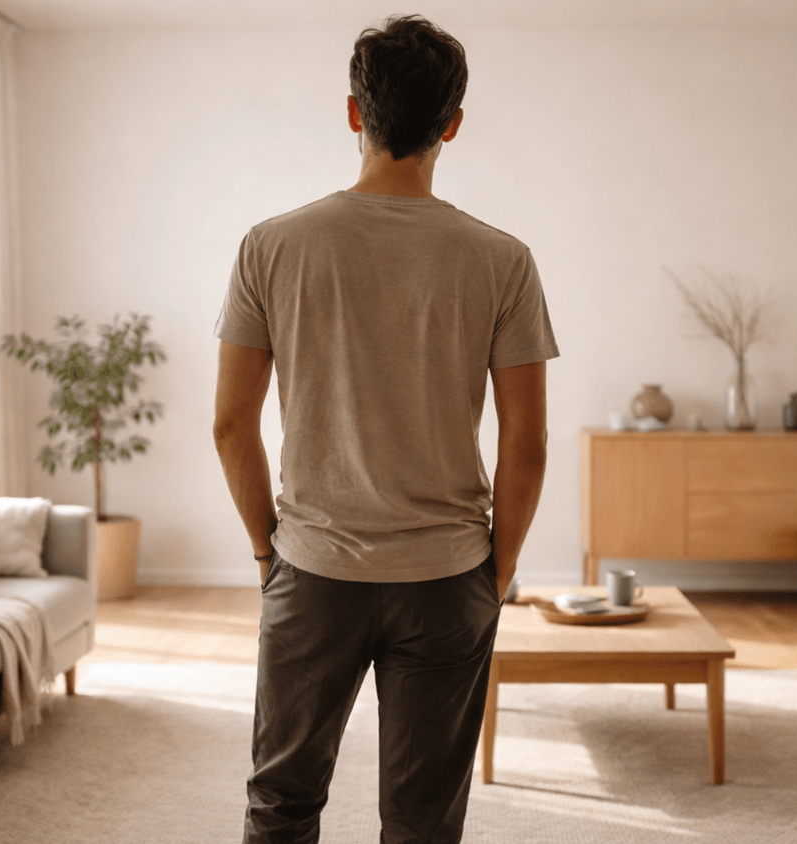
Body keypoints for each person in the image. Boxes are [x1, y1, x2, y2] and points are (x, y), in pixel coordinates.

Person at [212, 14, 557, 844]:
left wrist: (270, 554)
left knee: (281, 804)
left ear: (354, 114)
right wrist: (494, 573)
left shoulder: (272, 246)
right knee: (423, 821)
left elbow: (230, 426)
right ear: (453, 124)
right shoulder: (501, 260)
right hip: (447, 578)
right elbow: (528, 444)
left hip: (312, 572)